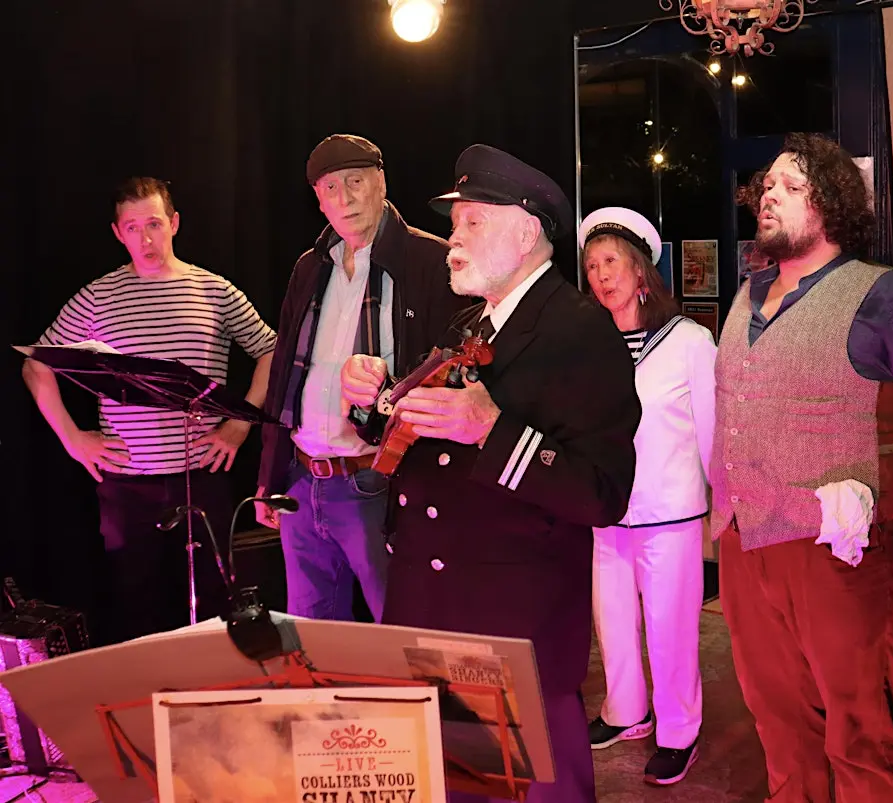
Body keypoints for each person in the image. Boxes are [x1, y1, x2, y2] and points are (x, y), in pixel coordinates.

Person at [340, 144, 642, 803]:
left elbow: (603, 493)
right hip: (436, 610)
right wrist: (371, 401)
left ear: (527, 232)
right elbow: (414, 438)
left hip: (513, 629)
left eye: (472, 222)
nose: (453, 241)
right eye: (455, 225)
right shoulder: (470, 325)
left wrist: (493, 429)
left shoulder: (580, 330)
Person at [714, 132, 893, 802]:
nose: (769, 196)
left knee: (860, 728)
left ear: (833, 203)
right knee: (777, 718)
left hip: (840, 554)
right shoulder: (746, 295)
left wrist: (883, 494)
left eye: (792, 186)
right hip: (746, 545)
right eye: (767, 186)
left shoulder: (888, 297)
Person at [22, 176, 277, 644]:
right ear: (118, 233)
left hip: (201, 475)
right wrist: (73, 439)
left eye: (154, 224)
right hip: (126, 485)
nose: (145, 239)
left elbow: (271, 350)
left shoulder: (214, 290)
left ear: (174, 223)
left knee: (214, 604)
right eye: (133, 227)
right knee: (136, 606)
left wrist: (240, 425)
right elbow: (37, 364)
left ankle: (216, 684)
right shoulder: (97, 297)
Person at [256, 134, 467, 623]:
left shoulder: (429, 262)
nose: (345, 198)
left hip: (378, 481)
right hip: (302, 481)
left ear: (381, 183)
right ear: (318, 200)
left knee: (400, 629)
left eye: (355, 181)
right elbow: (284, 372)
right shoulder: (310, 267)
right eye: (331, 188)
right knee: (312, 635)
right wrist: (270, 475)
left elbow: (453, 374)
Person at [579, 208, 715, 785]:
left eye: (611, 261)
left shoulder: (689, 341)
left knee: (670, 628)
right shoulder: (589, 344)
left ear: (640, 270)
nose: (601, 275)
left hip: (670, 513)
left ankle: (679, 730)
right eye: (591, 266)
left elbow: (711, 429)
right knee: (612, 623)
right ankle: (625, 711)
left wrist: (721, 505)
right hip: (607, 510)